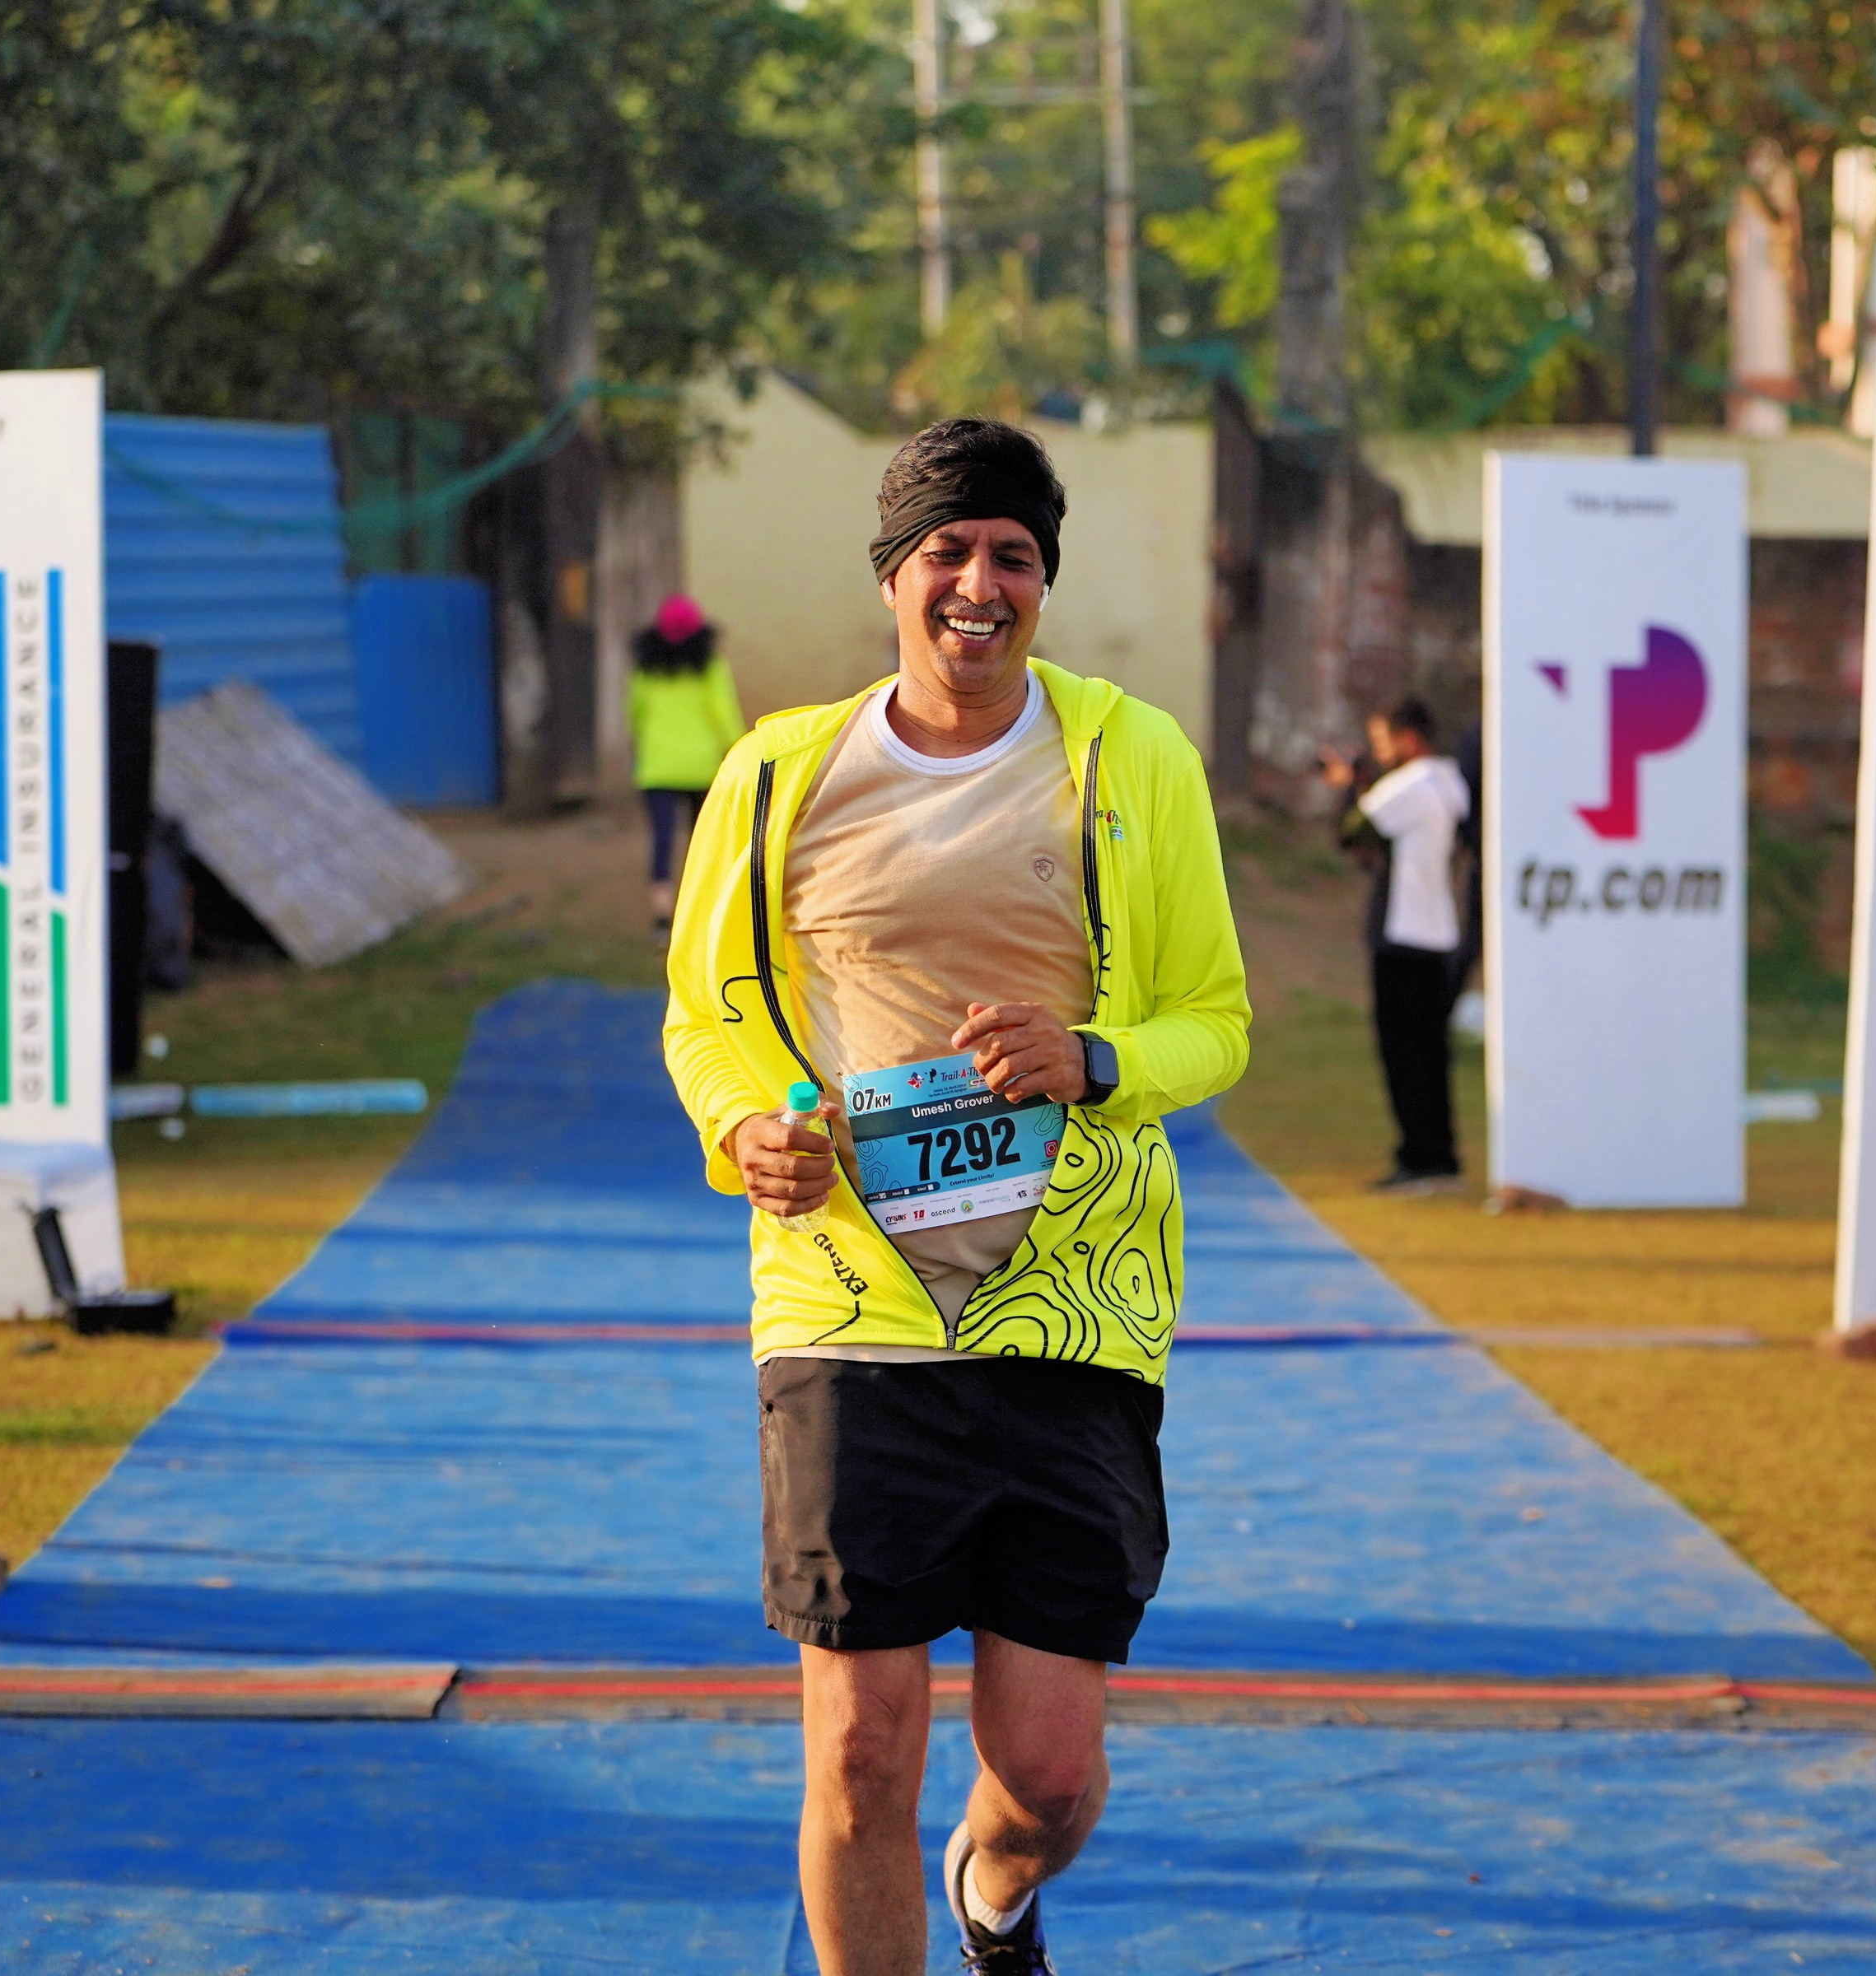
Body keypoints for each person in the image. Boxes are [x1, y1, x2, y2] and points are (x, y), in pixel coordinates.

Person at [662, 417, 1251, 1975]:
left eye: (1013, 556)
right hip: (847, 1303)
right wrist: (744, 1131)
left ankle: (995, 1898)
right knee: (860, 1751)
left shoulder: (1134, 757)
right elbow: (704, 1014)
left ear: (1044, 581)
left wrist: (1097, 1057)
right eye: (949, 552)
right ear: (893, 576)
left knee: (1047, 1775)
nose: (980, 585)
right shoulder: (780, 774)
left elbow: (1217, 1021)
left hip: (1074, 1307)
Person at [1318, 698, 1472, 1192]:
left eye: (1384, 742)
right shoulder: (1449, 782)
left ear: (1408, 738)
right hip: (1439, 933)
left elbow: (1353, 830)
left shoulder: (1411, 785)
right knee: (1432, 1055)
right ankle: (1440, 1156)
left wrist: (1351, 786)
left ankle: (1419, 1158)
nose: (1381, 753)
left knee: (1404, 1056)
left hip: (1403, 936)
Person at [628, 593, 746, 944]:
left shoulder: (646, 669)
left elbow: (635, 714)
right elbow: (724, 715)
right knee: (705, 842)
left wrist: (643, 751)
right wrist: (740, 751)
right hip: (702, 769)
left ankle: (662, 918)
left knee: (662, 840)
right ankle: (703, 916)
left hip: (657, 769)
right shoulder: (711, 667)